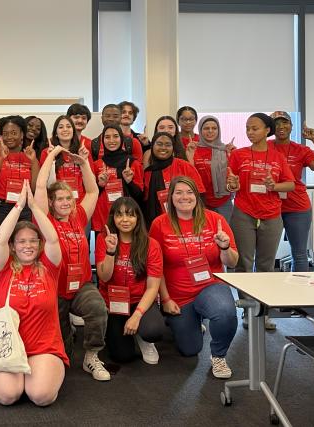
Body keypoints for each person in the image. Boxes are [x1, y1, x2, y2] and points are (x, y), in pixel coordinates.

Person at [149, 176, 239, 379]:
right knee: (190, 349)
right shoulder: (159, 224)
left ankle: (219, 356)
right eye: (178, 192)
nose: (184, 197)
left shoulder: (215, 220)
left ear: (197, 196)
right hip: (179, 295)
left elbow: (232, 262)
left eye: (189, 192)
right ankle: (188, 321)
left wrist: (224, 247)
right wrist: (165, 299)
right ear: (170, 197)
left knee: (225, 313)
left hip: (210, 286)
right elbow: (156, 267)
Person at [0, 180, 67, 406]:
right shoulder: (2, 269)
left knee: (41, 396)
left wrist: (34, 207)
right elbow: (0, 239)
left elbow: (52, 238)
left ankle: (38, 373)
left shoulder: (50, 268)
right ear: (13, 246)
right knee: (8, 396)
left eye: (33, 241)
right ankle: (18, 377)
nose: (28, 245)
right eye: (21, 241)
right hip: (7, 346)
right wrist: (17, 207)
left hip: (43, 347)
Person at [35, 144, 109, 380]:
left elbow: (93, 192)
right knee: (63, 356)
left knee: (98, 309)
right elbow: (39, 185)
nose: (66, 202)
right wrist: (52, 156)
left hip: (81, 285)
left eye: (69, 198)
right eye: (60, 199)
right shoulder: (44, 219)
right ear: (51, 202)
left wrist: (84, 164)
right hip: (54, 288)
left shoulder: (78, 216)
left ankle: (92, 356)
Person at [227, 113, 295, 329]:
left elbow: (290, 184)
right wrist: (232, 185)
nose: (249, 132)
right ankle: (248, 312)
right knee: (243, 263)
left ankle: (263, 312)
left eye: (254, 128)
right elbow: (232, 185)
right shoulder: (238, 155)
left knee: (266, 265)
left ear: (267, 130)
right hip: (244, 212)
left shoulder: (277, 156)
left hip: (271, 214)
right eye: (247, 128)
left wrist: (273, 186)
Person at [96, 197, 164, 364]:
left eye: (130, 215)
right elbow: (104, 277)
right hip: (114, 302)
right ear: (113, 218)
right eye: (119, 215)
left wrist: (137, 316)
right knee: (122, 356)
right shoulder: (103, 240)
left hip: (140, 300)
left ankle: (143, 338)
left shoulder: (151, 245)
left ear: (138, 218)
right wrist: (110, 251)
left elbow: (153, 287)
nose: (125, 220)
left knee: (153, 330)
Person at [269, 111, 314, 272]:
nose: (281, 127)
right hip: (269, 206)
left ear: (291, 126)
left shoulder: (300, 149)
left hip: (297, 207)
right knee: (265, 256)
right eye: (276, 123)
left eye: (285, 122)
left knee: (300, 254)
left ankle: (299, 292)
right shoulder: (264, 147)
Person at [0, 115, 39, 237]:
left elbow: (35, 189)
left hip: (25, 208)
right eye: (5, 133)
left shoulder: (31, 157)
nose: (9, 137)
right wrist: (0, 158)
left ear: (22, 135)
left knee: (22, 246)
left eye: (14, 133)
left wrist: (33, 162)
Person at [143, 132, 205, 227]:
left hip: (184, 220)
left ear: (173, 148)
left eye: (168, 145)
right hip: (155, 223)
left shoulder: (184, 166)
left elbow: (200, 194)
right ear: (152, 147)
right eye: (159, 144)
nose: (163, 148)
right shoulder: (147, 172)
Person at [91, 125, 144, 235]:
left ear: (121, 139)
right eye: (107, 137)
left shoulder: (133, 163)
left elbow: (140, 196)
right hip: (103, 218)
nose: (111, 141)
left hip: (126, 219)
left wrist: (129, 182)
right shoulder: (97, 165)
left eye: (115, 136)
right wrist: (100, 185)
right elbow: (91, 195)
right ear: (102, 140)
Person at [189, 116, 234, 223]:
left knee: (225, 234)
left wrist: (231, 154)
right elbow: (190, 175)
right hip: (201, 201)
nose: (210, 131)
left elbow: (233, 177)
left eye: (214, 128)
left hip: (224, 201)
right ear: (200, 130)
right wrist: (189, 155)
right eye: (206, 128)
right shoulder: (193, 149)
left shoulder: (227, 150)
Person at [39, 115, 86, 203]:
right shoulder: (47, 152)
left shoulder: (82, 151)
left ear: (73, 131)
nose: (65, 129)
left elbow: (90, 182)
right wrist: (51, 158)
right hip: (57, 202)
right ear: (56, 133)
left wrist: (84, 161)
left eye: (68, 126)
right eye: (61, 127)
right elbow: (48, 185)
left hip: (80, 202)